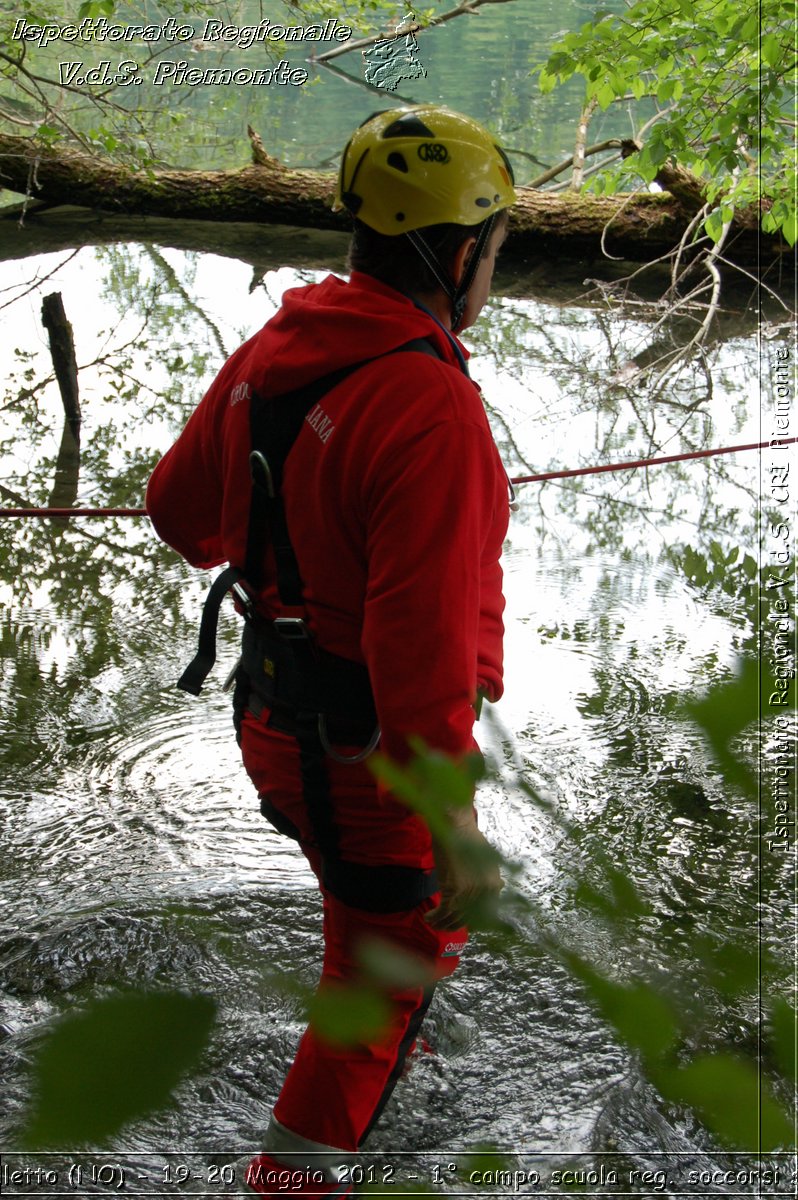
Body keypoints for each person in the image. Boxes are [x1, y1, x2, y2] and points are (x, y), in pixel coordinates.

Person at [146, 105, 515, 1197]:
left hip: (272, 725)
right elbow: (422, 662)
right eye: (495, 249)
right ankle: (294, 1178)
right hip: (372, 761)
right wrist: (459, 830)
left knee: (368, 936)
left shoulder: (287, 341)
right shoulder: (431, 410)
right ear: (458, 254)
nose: (493, 269)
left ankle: (385, 1053)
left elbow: (182, 515)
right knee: (391, 971)